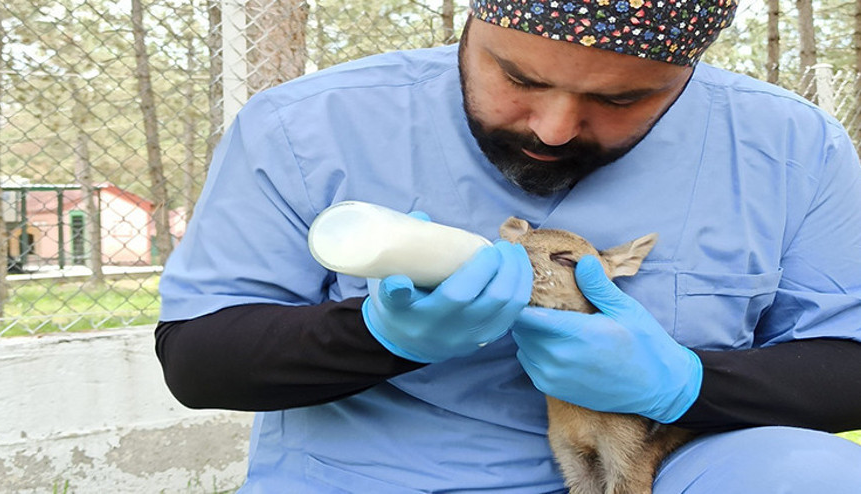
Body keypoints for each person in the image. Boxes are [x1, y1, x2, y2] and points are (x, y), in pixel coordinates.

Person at [155, 0, 861, 492]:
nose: (553, 128)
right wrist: (375, 333)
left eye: (621, 101)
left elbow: (847, 368)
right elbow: (198, 360)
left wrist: (685, 381)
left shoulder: (790, 148)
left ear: (690, 70)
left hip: (657, 473)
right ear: (474, 21)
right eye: (519, 78)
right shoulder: (305, 127)